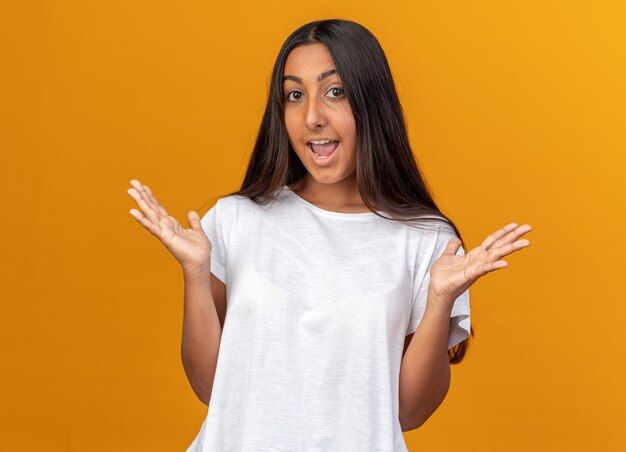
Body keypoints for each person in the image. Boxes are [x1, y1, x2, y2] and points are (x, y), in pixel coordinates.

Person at [127, 18, 532, 452]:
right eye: (294, 95)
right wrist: (195, 272)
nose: (312, 117)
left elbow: (410, 412)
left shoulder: (426, 241)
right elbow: (212, 388)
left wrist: (439, 301)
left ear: (372, 103)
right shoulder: (235, 220)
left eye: (334, 91)